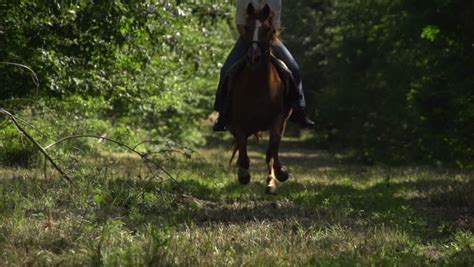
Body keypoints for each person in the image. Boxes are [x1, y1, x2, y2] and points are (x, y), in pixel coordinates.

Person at [213, 0, 315, 132]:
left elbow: (276, 26)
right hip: (247, 38)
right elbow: (240, 24)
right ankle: (222, 113)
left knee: (294, 68)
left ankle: (299, 110)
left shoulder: (276, 2)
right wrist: (252, 42)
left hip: (268, 38)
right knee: (226, 69)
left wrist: (264, 41)